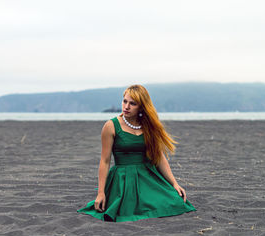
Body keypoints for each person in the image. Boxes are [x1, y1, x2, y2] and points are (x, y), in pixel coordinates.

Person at [77, 84, 195, 222]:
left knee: (175, 202)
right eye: (124, 101)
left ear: (141, 107)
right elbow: (105, 160)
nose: (126, 106)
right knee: (127, 210)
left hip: (148, 176)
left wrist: (174, 183)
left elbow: (159, 157)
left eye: (132, 103)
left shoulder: (148, 126)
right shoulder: (111, 126)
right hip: (123, 179)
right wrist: (101, 193)